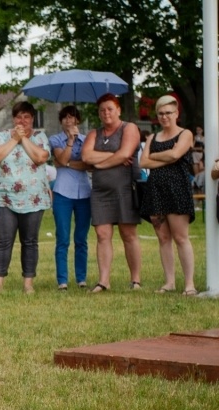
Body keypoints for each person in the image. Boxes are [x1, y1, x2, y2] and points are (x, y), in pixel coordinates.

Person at [0, 101, 51, 295]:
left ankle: (28, 283)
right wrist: (15, 139)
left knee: (30, 241)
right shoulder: (2, 136)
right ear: (13, 118)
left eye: (27, 117)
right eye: (18, 116)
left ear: (32, 119)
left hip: (34, 198)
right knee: (3, 240)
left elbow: (40, 158)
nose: (22, 120)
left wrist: (24, 140)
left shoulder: (40, 137)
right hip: (5, 197)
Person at [81, 93, 142, 293]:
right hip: (100, 191)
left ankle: (135, 280)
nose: (106, 113)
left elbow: (126, 153)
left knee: (128, 233)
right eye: (102, 110)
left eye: (110, 109)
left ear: (118, 110)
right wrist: (110, 156)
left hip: (124, 187)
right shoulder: (93, 133)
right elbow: (86, 156)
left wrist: (99, 163)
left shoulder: (129, 128)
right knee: (102, 234)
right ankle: (104, 281)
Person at [139, 95, 197, 296]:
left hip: (178, 189)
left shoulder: (185, 134)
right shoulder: (152, 138)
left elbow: (176, 154)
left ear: (176, 114)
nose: (164, 117)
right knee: (163, 238)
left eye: (168, 113)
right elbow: (143, 163)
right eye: (161, 113)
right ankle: (169, 282)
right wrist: (164, 156)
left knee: (181, 237)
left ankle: (189, 283)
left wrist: (155, 156)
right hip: (156, 190)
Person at [49, 106, 92, 290]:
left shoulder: (87, 140)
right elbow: (61, 157)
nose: (69, 120)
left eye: (72, 117)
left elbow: (88, 163)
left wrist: (66, 163)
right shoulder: (56, 139)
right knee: (63, 237)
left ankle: (81, 278)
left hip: (84, 192)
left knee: (81, 238)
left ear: (77, 120)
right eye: (65, 117)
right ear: (61, 121)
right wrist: (70, 141)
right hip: (62, 192)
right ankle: (63, 280)